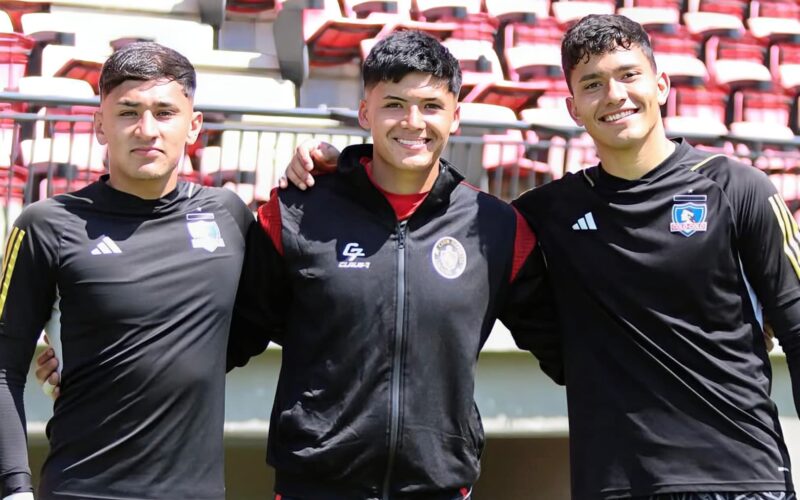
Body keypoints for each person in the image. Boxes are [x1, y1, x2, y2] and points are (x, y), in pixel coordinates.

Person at [280, 14, 800, 500]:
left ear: (660, 85)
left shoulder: (737, 189)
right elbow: (433, 222)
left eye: (628, 76)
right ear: (573, 107)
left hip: (742, 476)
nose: (614, 95)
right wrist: (341, 169)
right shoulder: (543, 214)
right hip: (614, 482)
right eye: (592, 83)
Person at [225, 30, 562, 499]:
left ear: (456, 116)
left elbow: (567, 348)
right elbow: (226, 339)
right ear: (366, 112)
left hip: (437, 487)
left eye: (430, 106)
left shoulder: (497, 228)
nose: (412, 122)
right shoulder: (297, 212)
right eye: (394, 104)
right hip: (316, 486)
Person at [0, 42, 254, 500]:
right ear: (100, 124)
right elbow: (3, 366)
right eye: (128, 112)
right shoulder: (46, 224)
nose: (146, 129)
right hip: (83, 490)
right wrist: (14, 487)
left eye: (164, 112)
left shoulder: (229, 216)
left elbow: (261, 323)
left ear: (193, 125)